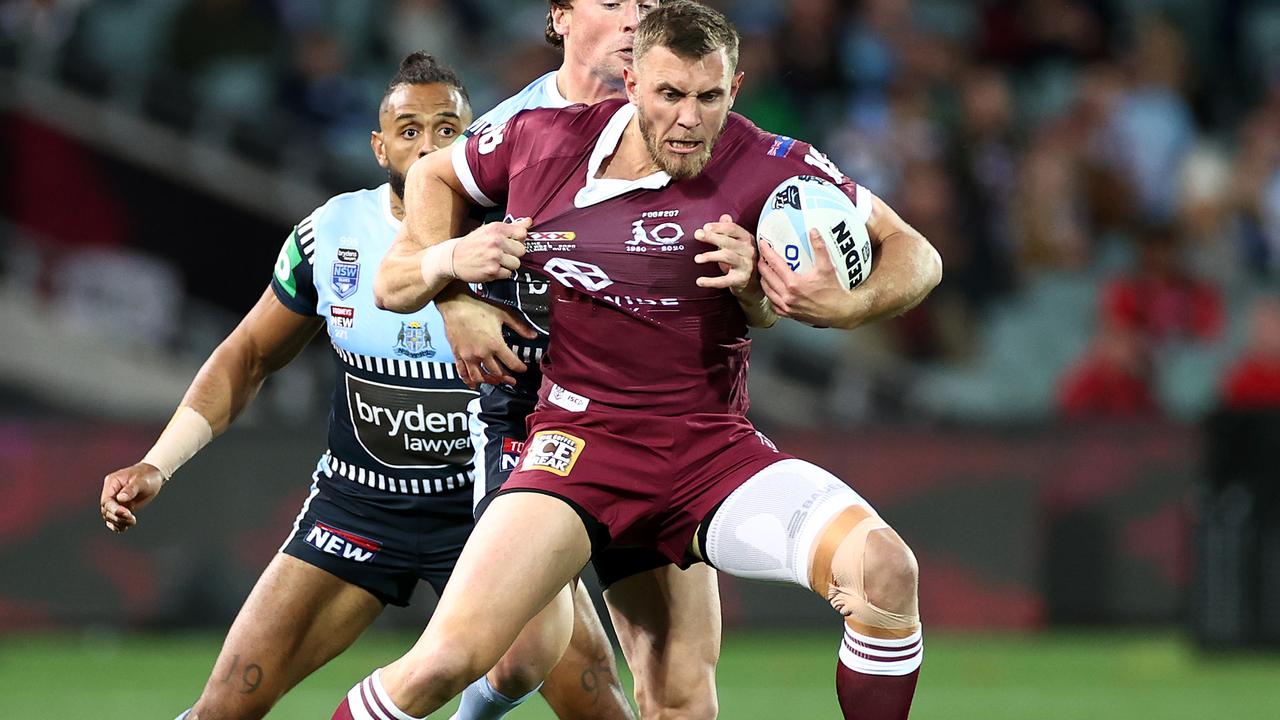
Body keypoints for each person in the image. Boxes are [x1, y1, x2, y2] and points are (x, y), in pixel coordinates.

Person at [336, 3, 942, 719]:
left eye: (709, 97)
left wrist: (843, 306)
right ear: (630, 84)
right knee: (448, 662)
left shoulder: (775, 167)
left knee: (880, 573)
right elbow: (435, 176)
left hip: (709, 452)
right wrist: (448, 288)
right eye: (670, 95)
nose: (690, 119)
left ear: (735, 88)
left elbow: (917, 254)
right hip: (576, 446)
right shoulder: (538, 139)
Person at [97, 52, 627, 720]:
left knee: (595, 701)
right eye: (409, 129)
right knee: (225, 704)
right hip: (359, 511)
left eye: (446, 129)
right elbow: (248, 356)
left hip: (492, 514)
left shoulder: (522, 236)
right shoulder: (332, 235)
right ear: (379, 145)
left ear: (478, 138)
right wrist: (158, 461)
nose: (428, 144)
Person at [415, 3, 726, 719]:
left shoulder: (678, 120)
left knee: (680, 683)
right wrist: (454, 303)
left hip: (648, 413)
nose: (633, 19)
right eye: (613, 1)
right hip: (529, 410)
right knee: (526, 652)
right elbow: (425, 202)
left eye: (648, 5)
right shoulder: (521, 123)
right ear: (560, 15)